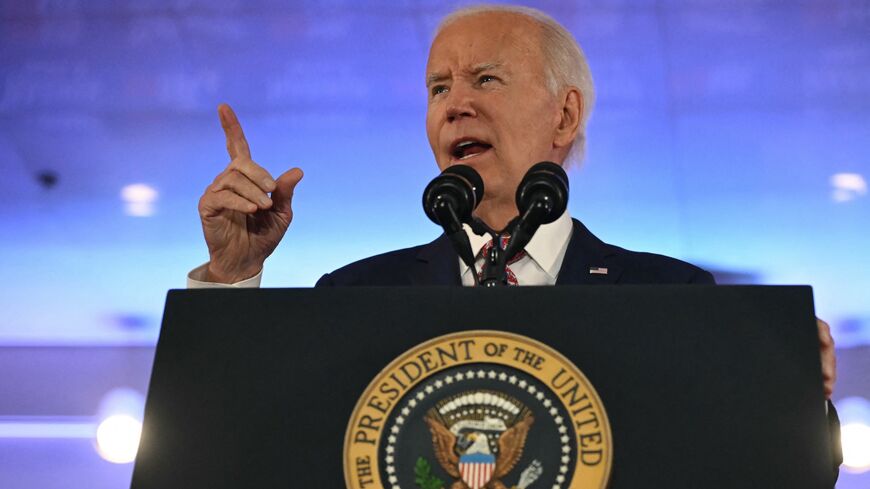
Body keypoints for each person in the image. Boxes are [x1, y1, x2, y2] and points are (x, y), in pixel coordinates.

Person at [188, 4, 840, 475]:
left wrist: (796, 403)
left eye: (485, 80)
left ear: (565, 114)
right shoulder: (357, 295)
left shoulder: (671, 295)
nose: (454, 104)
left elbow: (767, 472)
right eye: (438, 87)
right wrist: (231, 282)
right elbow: (231, 456)